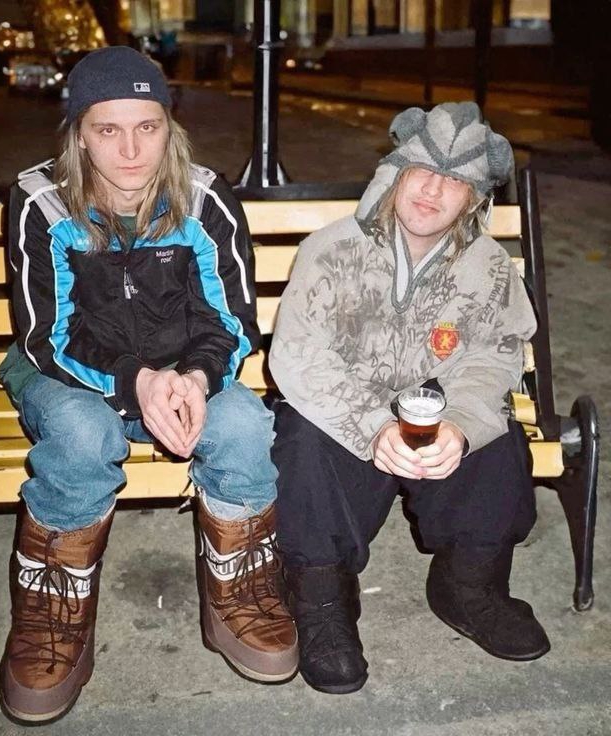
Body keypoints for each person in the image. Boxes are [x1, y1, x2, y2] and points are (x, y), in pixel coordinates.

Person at [0, 46, 296, 725]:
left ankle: (240, 588)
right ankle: (53, 609)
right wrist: (137, 381)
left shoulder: (204, 198)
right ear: (79, 133)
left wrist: (196, 377)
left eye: (148, 126)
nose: (131, 150)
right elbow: (48, 334)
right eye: (108, 129)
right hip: (68, 372)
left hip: (182, 370)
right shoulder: (42, 201)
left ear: (169, 126)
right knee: (83, 433)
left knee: (245, 424)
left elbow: (231, 321)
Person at [269, 102, 550, 695]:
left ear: (473, 200)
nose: (432, 190)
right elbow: (299, 356)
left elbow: (495, 355)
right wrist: (374, 426)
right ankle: (323, 603)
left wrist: (462, 427)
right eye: (422, 170)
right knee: (300, 440)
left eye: (454, 180)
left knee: (498, 441)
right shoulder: (331, 249)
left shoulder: (489, 268)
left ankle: (470, 586)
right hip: (347, 409)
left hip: (433, 409)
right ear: (395, 174)